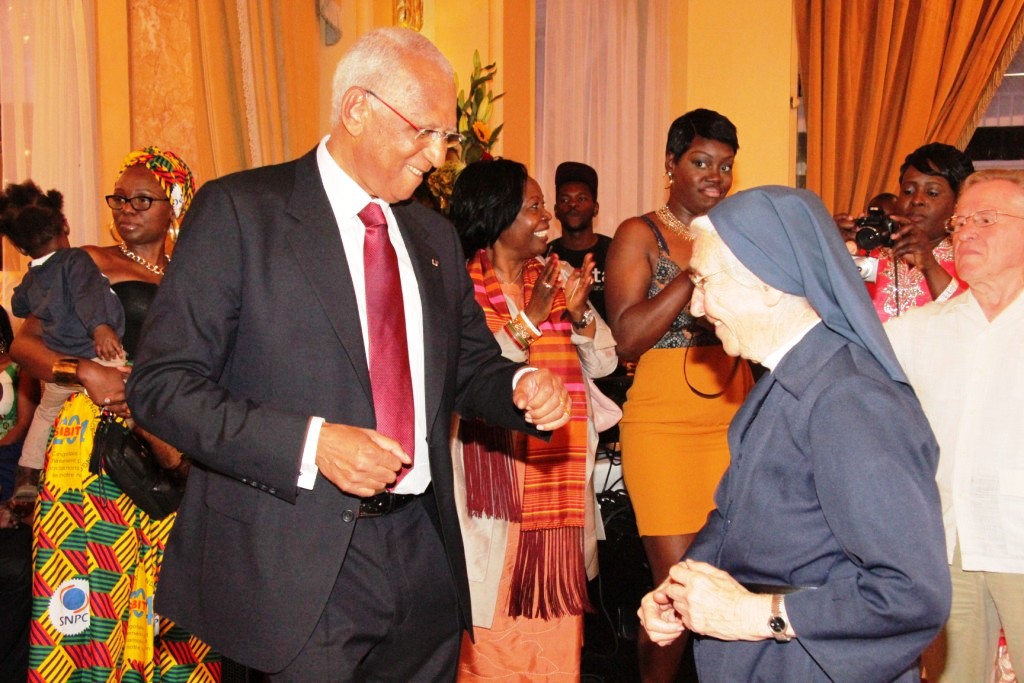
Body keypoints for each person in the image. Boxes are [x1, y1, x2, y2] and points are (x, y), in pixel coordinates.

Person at [125, 28, 570, 682]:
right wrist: (312, 443)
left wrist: (522, 385)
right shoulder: (244, 213)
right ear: (357, 109)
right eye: (423, 131)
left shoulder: (432, 234)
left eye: (445, 139)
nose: (437, 156)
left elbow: (470, 366)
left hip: (422, 552)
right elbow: (161, 387)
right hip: (294, 565)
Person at [638, 186, 950, 682]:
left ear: (765, 282)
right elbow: (733, 517)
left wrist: (757, 615)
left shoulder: (851, 400)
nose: (696, 308)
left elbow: (911, 594)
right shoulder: (782, 382)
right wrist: (679, 587)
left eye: (703, 282)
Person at [13, 147, 219, 682]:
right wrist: (82, 371)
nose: (125, 209)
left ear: (175, 204)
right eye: (119, 198)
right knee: (88, 599)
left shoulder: (199, 276)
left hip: (175, 452)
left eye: (141, 199)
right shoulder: (85, 262)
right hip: (91, 453)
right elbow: (25, 343)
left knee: (175, 614)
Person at [448, 158, 618, 680]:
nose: (548, 217)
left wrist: (582, 310)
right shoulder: (459, 288)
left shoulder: (555, 276)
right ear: (499, 216)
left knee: (557, 635)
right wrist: (531, 319)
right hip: (492, 494)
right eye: (535, 205)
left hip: (558, 483)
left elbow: (606, 361)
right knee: (493, 627)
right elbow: (465, 378)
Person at [603, 108, 753, 680]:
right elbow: (627, 336)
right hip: (663, 429)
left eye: (725, 165)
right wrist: (696, 269)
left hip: (732, 420)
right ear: (671, 164)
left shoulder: (738, 234)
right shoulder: (640, 233)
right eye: (701, 162)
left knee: (731, 585)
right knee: (676, 591)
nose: (716, 176)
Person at [885, 169, 1024, 683]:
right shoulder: (916, 332)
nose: (965, 232)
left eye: (986, 220)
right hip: (947, 541)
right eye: (962, 221)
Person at [0, 180, 126, 482]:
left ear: (19, 247)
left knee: (45, 416)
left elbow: (18, 305)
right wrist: (100, 328)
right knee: (132, 410)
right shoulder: (76, 260)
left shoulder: (33, 276)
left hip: (61, 369)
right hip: (98, 358)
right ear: (64, 225)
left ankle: (28, 476)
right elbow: (86, 295)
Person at [835, 143, 974, 321]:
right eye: (908, 191)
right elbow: (847, 306)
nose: (916, 200)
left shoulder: (967, 255)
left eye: (932, 193)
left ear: (958, 202)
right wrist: (839, 249)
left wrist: (929, 265)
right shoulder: (879, 254)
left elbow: (970, 320)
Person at [548, 161, 612, 321]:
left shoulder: (614, 251)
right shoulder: (545, 257)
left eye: (581, 199)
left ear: (595, 208)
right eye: (564, 200)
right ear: (556, 211)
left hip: (608, 343)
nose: (573, 204)